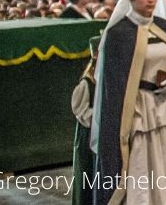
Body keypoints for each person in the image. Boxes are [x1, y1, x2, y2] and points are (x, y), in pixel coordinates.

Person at [91, 0, 166, 205]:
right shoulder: (119, 34)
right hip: (136, 112)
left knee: (164, 158)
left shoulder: (165, 28)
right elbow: (114, 85)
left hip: (164, 109)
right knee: (139, 162)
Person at [71, 37, 99, 205]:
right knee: (87, 175)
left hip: (101, 133)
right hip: (88, 135)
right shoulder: (87, 83)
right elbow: (81, 111)